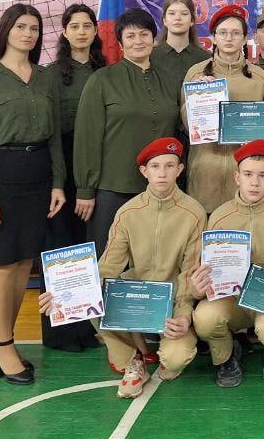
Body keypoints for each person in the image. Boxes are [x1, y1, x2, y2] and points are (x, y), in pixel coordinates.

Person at [42, 137, 205, 399]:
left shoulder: (194, 212)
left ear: (180, 169)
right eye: (155, 166)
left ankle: (164, 352)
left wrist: (184, 314)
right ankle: (133, 360)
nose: (162, 173)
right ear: (144, 171)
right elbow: (108, 266)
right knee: (92, 299)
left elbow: (190, 271)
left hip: (172, 301)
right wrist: (65, 296)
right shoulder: (128, 212)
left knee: (175, 360)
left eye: (169, 166)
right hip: (135, 299)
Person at [0, 3, 67, 386]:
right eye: (21, 26)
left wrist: (58, 182)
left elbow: (54, 136)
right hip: (2, 177)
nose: (28, 34)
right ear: (6, 30)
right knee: (4, 263)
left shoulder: (45, 78)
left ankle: (2, 339)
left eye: (34, 28)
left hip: (38, 176)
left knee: (25, 262)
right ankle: (5, 343)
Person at [191, 140, 264, 387]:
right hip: (230, 297)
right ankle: (225, 357)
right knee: (205, 318)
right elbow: (209, 268)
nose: (255, 182)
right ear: (236, 177)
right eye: (248, 174)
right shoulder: (220, 216)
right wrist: (199, 287)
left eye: (262, 175)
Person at [74, 8, 181, 256]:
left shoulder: (170, 80)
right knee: (108, 258)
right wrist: (85, 190)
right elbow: (87, 139)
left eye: (144, 34)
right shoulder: (102, 80)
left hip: (160, 188)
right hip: (114, 188)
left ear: (154, 39)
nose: (138, 41)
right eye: (130, 36)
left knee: (153, 258)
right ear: (121, 43)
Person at [40, 3, 107, 351]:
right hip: (61, 167)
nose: (81, 31)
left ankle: (88, 324)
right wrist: (58, 180)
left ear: (96, 31)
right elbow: (50, 132)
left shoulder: (106, 71)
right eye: (74, 26)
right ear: (65, 32)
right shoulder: (50, 75)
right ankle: (62, 332)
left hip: (96, 167)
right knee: (61, 245)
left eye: (87, 25)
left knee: (89, 247)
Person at [181, 6, 264, 213]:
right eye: (223, 33)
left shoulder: (260, 78)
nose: (229, 38)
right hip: (204, 172)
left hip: (245, 179)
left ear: (245, 38)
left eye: (235, 33)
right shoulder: (196, 74)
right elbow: (186, 126)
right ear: (213, 38)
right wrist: (198, 97)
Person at [152, 0, 211, 103]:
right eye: (172, 13)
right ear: (164, 20)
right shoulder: (150, 57)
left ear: (192, 20)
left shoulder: (205, 59)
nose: (177, 18)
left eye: (184, 14)